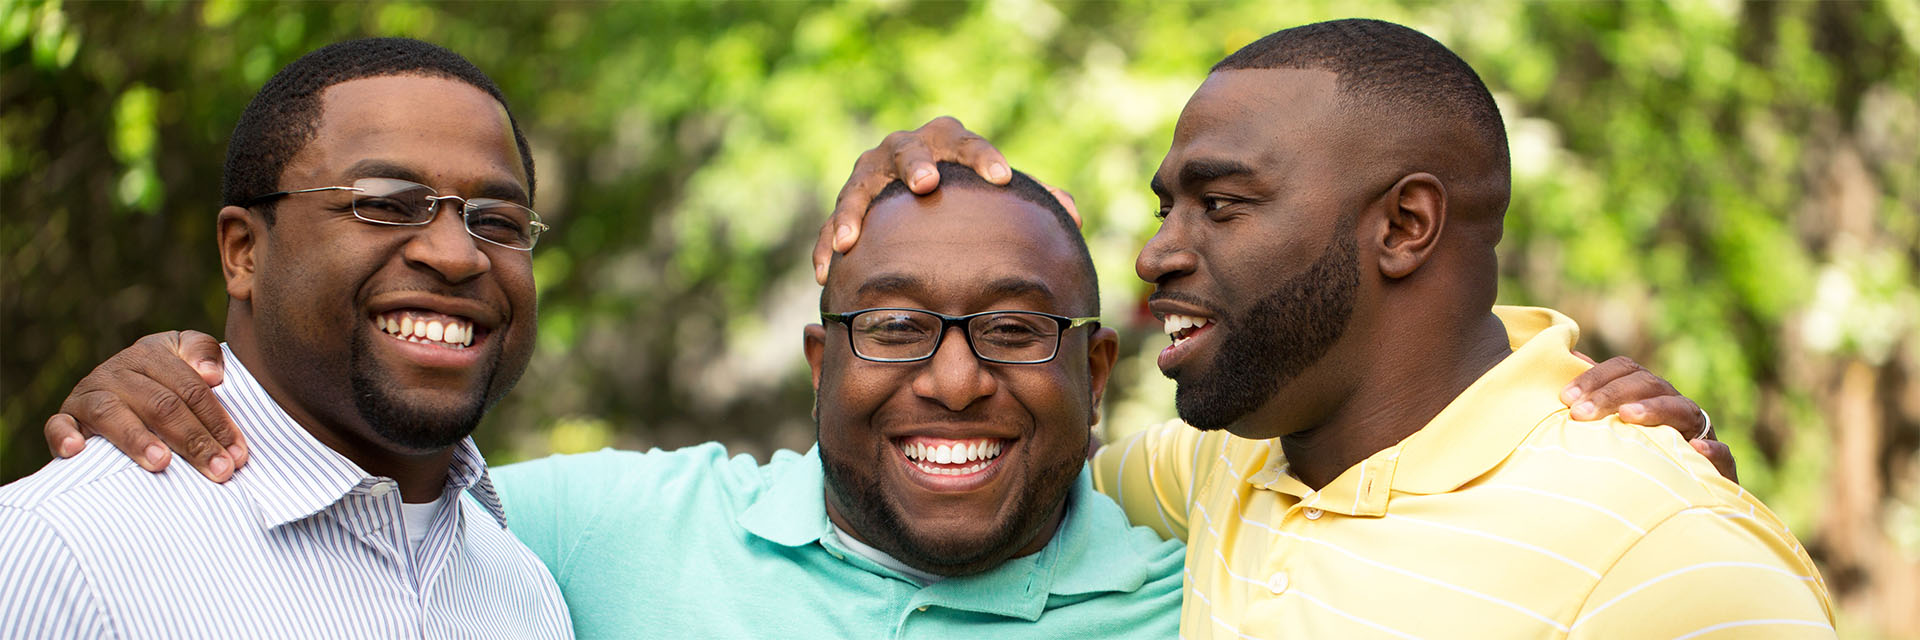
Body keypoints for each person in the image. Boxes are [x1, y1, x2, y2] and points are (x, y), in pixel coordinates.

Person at [813, 19, 1832, 639]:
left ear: (1404, 225)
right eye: (1167, 206)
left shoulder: (1661, 554)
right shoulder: (1221, 474)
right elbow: (996, 456)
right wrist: (927, 190)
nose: (1155, 254)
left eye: (1220, 205)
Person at [0, 38, 572, 638]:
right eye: (385, 204)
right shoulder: (61, 551)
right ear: (243, 253)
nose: (457, 255)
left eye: (496, 221)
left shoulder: (521, 589)